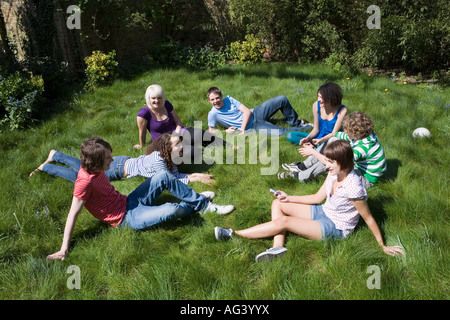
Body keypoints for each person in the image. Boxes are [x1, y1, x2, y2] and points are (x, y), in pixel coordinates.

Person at [214, 140, 403, 262]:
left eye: (330, 162)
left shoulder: (354, 187)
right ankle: (277, 248)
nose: (326, 165)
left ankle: (233, 234)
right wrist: (289, 198)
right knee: (278, 204)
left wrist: (382, 246)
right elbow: (316, 198)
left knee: (284, 222)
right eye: (326, 161)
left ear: (344, 163)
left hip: (336, 228)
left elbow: (368, 218)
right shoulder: (334, 173)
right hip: (323, 211)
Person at [47, 137, 234, 261]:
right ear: (96, 163)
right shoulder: (84, 183)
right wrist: (64, 248)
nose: (112, 161)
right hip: (126, 219)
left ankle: (203, 205)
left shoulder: (95, 168)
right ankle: (194, 203)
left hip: (129, 200)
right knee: (170, 209)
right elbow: (72, 214)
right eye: (108, 159)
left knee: (163, 176)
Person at [29, 133, 214, 185]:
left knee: (84, 167)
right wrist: (195, 178)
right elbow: (171, 180)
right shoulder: (159, 161)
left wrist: (195, 174)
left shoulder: (168, 157)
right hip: (116, 169)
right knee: (80, 177)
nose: (182, 148)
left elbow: (174, 173)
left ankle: (56, 155)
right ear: (168, 149)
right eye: (178, 145)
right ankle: (47, 167)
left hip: (123, 160)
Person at [279, 111, 386, 190]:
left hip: (365, 178)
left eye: (347, 130)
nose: (345, 132)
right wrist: (321, 140)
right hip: (358, 166)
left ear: (356, 133)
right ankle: (303, 167)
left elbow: (336, 163)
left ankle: (302, 176)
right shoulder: (365, 134)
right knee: (334, 140)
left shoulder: (362, 148)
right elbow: (335, 134)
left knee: (332, 162)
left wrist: (313, 152)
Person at [134, 84, 232, 157]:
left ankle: (228, 146)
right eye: (153, 98)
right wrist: (141, 145)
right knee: (193, 152)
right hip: (164, 141)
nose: (157, 101)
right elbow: (142, 133)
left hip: (178, 132)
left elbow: (178, 122)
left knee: (199, 133)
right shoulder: (144, 113)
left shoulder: (166, 104)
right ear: (148, 98)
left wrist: (177, 133)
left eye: (159, 98)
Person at [282, 82, 347, 169]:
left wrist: (320, 141)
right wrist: (308, 139)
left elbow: (334, 134)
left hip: (332, 141)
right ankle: (313, 147)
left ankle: (314, 151)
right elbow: (316, 129)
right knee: (291, 135)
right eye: (318, 96)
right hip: (318, 138)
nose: (319, 99)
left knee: (331, 144)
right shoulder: (316, 105)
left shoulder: (342, 110)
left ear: (331, 98)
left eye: (322, 97)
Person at [206, 87, 311, 137]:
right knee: (281, 132)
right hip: (252, 126)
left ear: (221, 96)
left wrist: (241, 129)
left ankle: (295, 123)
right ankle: (308, 128)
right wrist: (225, 131)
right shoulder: (213, 114)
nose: (216, 101)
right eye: (212, 99)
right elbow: (211, 131)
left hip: (255, 113)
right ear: (209, 101)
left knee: (282, 99)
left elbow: (246, 111)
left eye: (217, 98)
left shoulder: (228, 99)